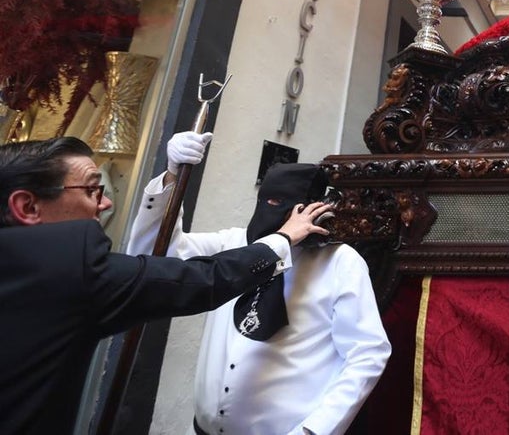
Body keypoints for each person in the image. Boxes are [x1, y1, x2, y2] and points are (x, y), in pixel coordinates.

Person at [0, 136, 330, 434]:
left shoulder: (338, 263)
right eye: (91, 190)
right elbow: (185, 271)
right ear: (27, 207)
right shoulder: (75, 267)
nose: (106, 203)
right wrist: (281, 240)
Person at [127, 132, 390, 435]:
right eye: (266, 201)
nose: (269, 209)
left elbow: (367, 353)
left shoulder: (340, 263)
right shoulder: (234, 245)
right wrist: (171, 175)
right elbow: (151, 259)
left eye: (281, 204)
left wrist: (315, 430)